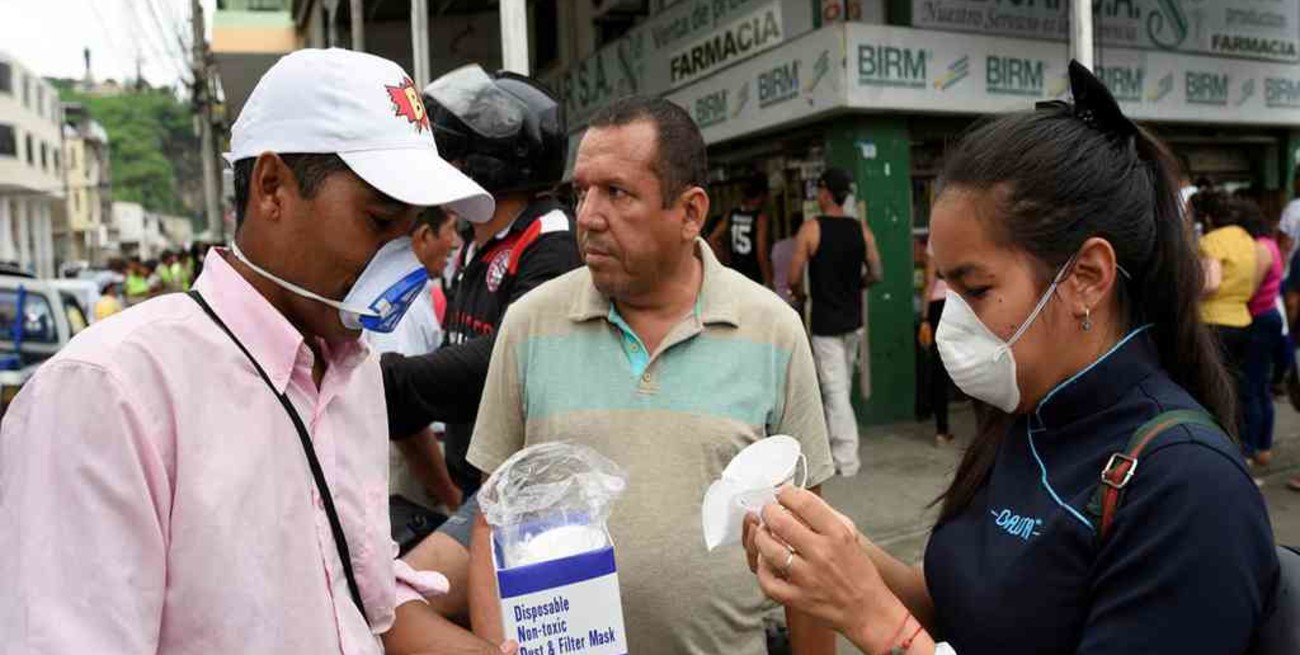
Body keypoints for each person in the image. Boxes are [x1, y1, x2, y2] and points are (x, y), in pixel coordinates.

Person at [740, 61, 1277, 655]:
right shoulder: (1026, 416)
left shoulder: (1188, 490)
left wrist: (877, 625)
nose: (954, 320)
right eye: (947, 288)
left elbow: (913, 632)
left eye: (976, 290)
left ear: (1087, 277)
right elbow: (958, 615)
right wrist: (834, 551)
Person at [0, 48, 511, 655]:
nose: (400, 265)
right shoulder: (112, 393)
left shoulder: (353, 375)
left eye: (410, 232)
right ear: (272, 188)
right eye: (378, 222)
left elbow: (356, 598)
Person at [465, 96, 837, 655]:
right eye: (581, 191)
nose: (587, 215)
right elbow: (490, 523)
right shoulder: (527, 326)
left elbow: (808, 548)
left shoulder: (774, 332)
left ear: (689, 213)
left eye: (616, 193)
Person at [379, 64, 581, 621]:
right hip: (474, 491)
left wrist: (386, 381)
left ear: (491, 163)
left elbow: (507, 363)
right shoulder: (479, 247)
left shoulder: (550, 241)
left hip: (523, 501)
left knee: (403, 614)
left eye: (455, 156)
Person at [366, 207, 463, 517]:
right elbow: (403, 414)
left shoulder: (414, 292)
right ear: (424, 236)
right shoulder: (402, 307)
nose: (457, 243)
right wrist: (449, 494)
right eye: (451, 230)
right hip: (414, 467)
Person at [787, 167, 882, 478]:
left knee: (834, 390)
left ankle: (846, 459)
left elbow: (793, 276)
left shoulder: (811, 229)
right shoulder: (861, 229)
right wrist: (858, 286)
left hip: (825, 323)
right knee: (841, 387)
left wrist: (801, 296)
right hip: (853, 321)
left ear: (826, 193)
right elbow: (876, 272)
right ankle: (838, 447)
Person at [1196, 189, 1258, 439]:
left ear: (1208, 217)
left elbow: (1210, 283)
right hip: (1243, 318)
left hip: (1214, 322)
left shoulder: (1210, 241)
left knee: (1212, 387)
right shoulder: (1245, 237)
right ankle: (1238, 441)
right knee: (1236, 385)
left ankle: (1215, 438)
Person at [1239, 199, 1285, 472]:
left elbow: (1249, 289)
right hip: (1270, 317)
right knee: (1262, 387)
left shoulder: (1260, 248)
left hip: (1260, 319)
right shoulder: (1271, 244)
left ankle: (1250, 447)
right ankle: (1263, 446)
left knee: (1251, 389)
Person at [918, 237, 954, 446]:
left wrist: (924, 318)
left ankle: (942, 431)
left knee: (939, 369)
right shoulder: (971, 231)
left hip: (938, 306)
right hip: (963, 303)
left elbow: (929, 281)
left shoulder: (937, 237)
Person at [710, 174, 773, 287]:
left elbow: (713, 238)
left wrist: (723, 262)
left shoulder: (731, 215)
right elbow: (761, 251)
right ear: (762, 195)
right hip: (754, 278)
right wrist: (769, 282)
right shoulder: (760, 218)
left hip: (736, 275)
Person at [771, 212, 803, 309]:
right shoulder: (802, 248)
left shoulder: (777, 246)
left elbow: (773, 271)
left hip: (778, 297)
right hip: (794, 301)